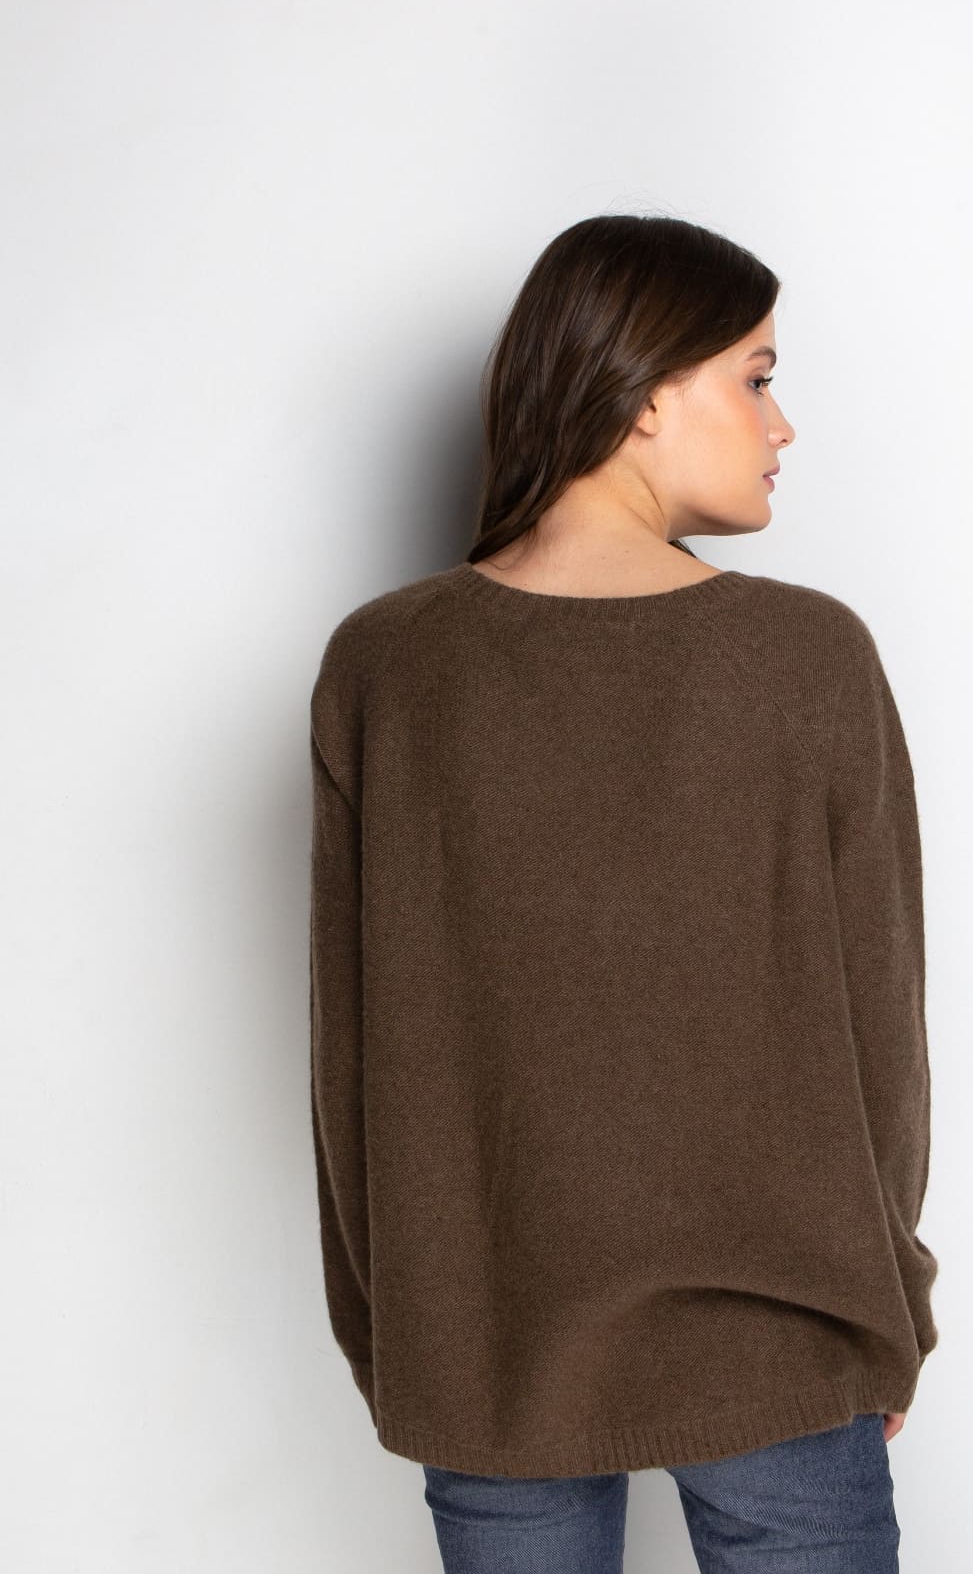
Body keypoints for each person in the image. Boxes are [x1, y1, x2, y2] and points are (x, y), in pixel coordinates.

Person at [308, 213, 940, 1572]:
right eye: (757, 378)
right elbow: (880, 1031)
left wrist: (394, 1325)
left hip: (484, 1335)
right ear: (648, 393)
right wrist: (893, 1302)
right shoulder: (807, 658)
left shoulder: (388, 667)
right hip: (783, 1325)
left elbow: (349, 1058)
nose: (782, 425)